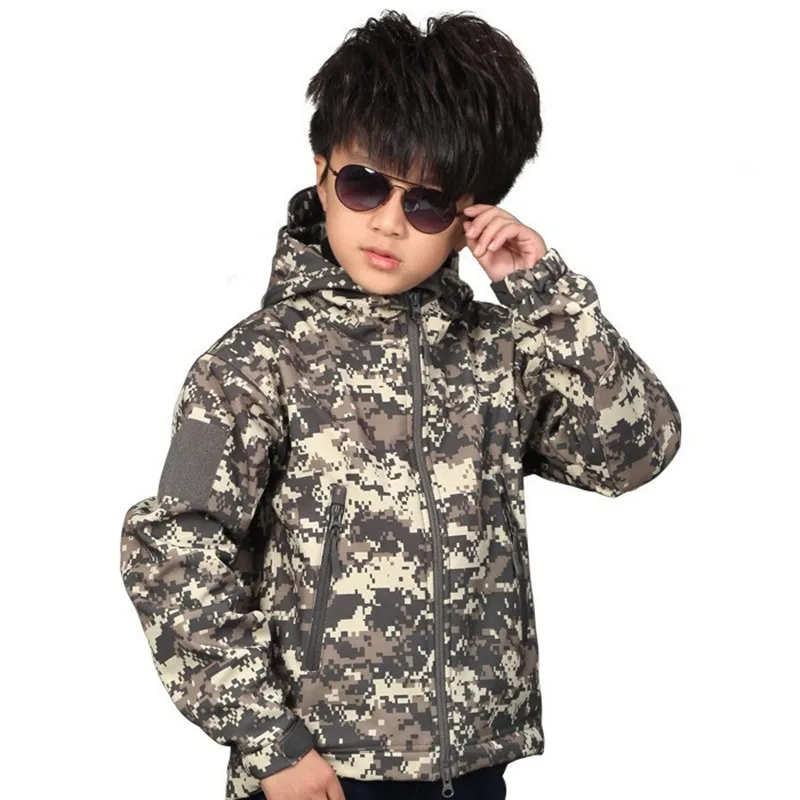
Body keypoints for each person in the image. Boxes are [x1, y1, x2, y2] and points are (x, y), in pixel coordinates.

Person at [119, 11, 681, 800]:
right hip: (318, 773)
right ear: (323, 174)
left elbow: (635, 452)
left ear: (468, 217)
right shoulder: (254, 363)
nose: (388, 221)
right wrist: (269, 742)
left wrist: (546, 294)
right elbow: (172, 549)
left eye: (428, 203)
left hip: (472, 769)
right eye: (365, 184)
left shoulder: (499, 356)